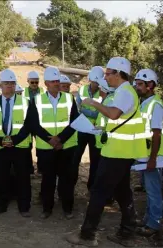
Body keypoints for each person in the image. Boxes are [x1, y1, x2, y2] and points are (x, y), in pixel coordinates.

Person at [66, 57, 148, 247]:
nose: (106, 77)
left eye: (108, 73)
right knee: (122, 191)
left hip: (118, 153)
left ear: (118, 74)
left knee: (99, 191)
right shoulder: (124, 91)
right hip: (120, 151)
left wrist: (92, 103)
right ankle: (127, 231)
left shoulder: (125, 92)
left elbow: (113, 114)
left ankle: (87, 235)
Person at [0, 69, 34, 217]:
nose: (10, 86)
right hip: (0, 147)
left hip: (20, 146)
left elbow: (29, 124)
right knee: (0, 177)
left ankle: (24, 207)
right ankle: (1, 205)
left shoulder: (25, 102)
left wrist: (14, 140)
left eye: (12, 84)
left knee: (23, 177)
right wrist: (0, 141)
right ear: (0, 85)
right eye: (6, 83)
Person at [34, 66, 79, 220]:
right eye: (52, 81)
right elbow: (33, 124)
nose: (56, 84)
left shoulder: (69, 98)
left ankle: (67, 208)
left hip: (66, 147)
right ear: (46, 83)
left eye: (57, 81)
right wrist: (50, 139)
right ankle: (47, 208)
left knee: (67, 180)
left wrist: (60, 139)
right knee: (48, 180)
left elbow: (75, 121)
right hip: (46, 148)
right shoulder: (37, 100)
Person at [134, 69, 163, 238]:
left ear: (150, 85)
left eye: (140, 84)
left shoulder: (156, 105)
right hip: (146, 156)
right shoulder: (145, 103)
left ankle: (154, 224)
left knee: (153, 191)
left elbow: (156, 134)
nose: (137, 87)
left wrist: (152, 159)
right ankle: (148, 219)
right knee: (149, 190)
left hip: (154, 157)